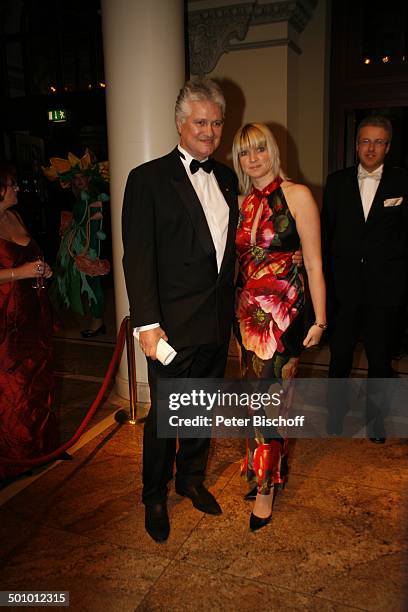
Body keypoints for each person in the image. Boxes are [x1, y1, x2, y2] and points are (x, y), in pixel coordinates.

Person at [122, 78, 240, 542]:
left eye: (216, 123)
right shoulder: (147, 178)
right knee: (164, 416)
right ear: (179, 123)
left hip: (215, 321)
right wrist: (147, 325)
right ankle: (154, 493)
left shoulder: (228, 177)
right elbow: (139, 256)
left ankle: (191, 479)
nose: (209, 132)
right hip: (170, 327)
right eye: (200, 122)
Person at [232, 123, 326, 531]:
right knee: (254, 401)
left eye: (259, 150)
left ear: (273, 150)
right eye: (244, 153)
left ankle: (266, 487)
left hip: (284, 312)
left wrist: (321, 319)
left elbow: (316, 262)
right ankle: (263, 470)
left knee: (270, 402)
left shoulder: (298, 195)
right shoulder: (242, 202)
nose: (253, 159)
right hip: (248, 313)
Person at [322, 115, 408, 443]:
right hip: (343, 290)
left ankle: (376, 422)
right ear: (357, 145)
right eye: (365, 141)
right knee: (340, 356)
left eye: (378, 142)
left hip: (385, 290)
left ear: (388, 146)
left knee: (379, 359)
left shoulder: (403, 183)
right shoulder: (337, 182)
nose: (370, 148)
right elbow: (325, 232)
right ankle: (334, 415)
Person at [0, 163, 57, 483]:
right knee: (14, 387)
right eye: (11, 184)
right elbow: (16, 269)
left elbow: (29, 257)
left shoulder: (14, 217)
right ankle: (16, 459)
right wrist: (19, 274)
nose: (17, 189)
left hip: (33, 313)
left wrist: (42, 270)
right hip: (7, 320)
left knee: (39, 381)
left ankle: (41, 448)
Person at [42, 150, 110, 338]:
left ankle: (98, 322)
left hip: (88, 246)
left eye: (83, 178)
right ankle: (97, 321)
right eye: (76, 179)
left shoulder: (92, 198)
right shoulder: (82, 197)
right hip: (82, 245)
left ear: (89, 179)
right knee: (91, 282)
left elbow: (94, 224)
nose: (79, 181)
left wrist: (88, 250)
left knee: (93, 282)